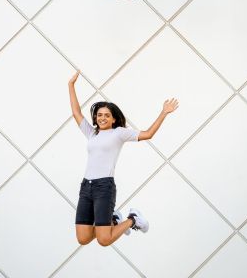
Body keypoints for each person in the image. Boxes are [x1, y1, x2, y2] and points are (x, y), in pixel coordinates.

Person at [68, 70, 179, 247]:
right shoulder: (92, 133)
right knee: (83, 238)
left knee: (104, 240)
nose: (102, 117)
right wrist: (71, 85)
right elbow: (76, 112)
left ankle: (132, 219)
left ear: (113, 119)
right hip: (86, 187)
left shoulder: (119, 133)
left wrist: (164, 112)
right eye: (99, 115)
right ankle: (113, 220)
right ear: (95, 118)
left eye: (106, 115)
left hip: (104, 187)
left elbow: (148, 134)